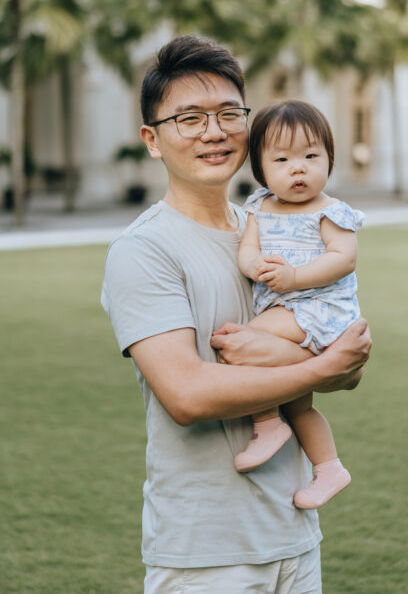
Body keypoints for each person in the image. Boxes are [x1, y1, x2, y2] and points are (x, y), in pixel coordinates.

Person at [100, 35, 371, 593]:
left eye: (228, 113)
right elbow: (188, 396)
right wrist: (321, 368)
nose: (214, 131)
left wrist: (331, 361)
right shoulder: (144, 250)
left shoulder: (277, 228)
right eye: (190, 118)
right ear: (153, 139)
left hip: (295, 536)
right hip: (207, 554)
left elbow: (349, 362)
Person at [233, 100, 363, 510]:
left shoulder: (329, 211)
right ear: (261, 168)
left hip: (320, 308)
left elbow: (344, 258)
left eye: (311, 155)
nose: (299, 168)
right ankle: (329, 468)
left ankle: (266, 423)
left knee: (243, 342)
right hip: (287, 309)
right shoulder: (259, 207)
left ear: (329, 158)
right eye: (283, 159)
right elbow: (247, 250)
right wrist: (255, 265)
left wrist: (293, 278)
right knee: (299, 401)